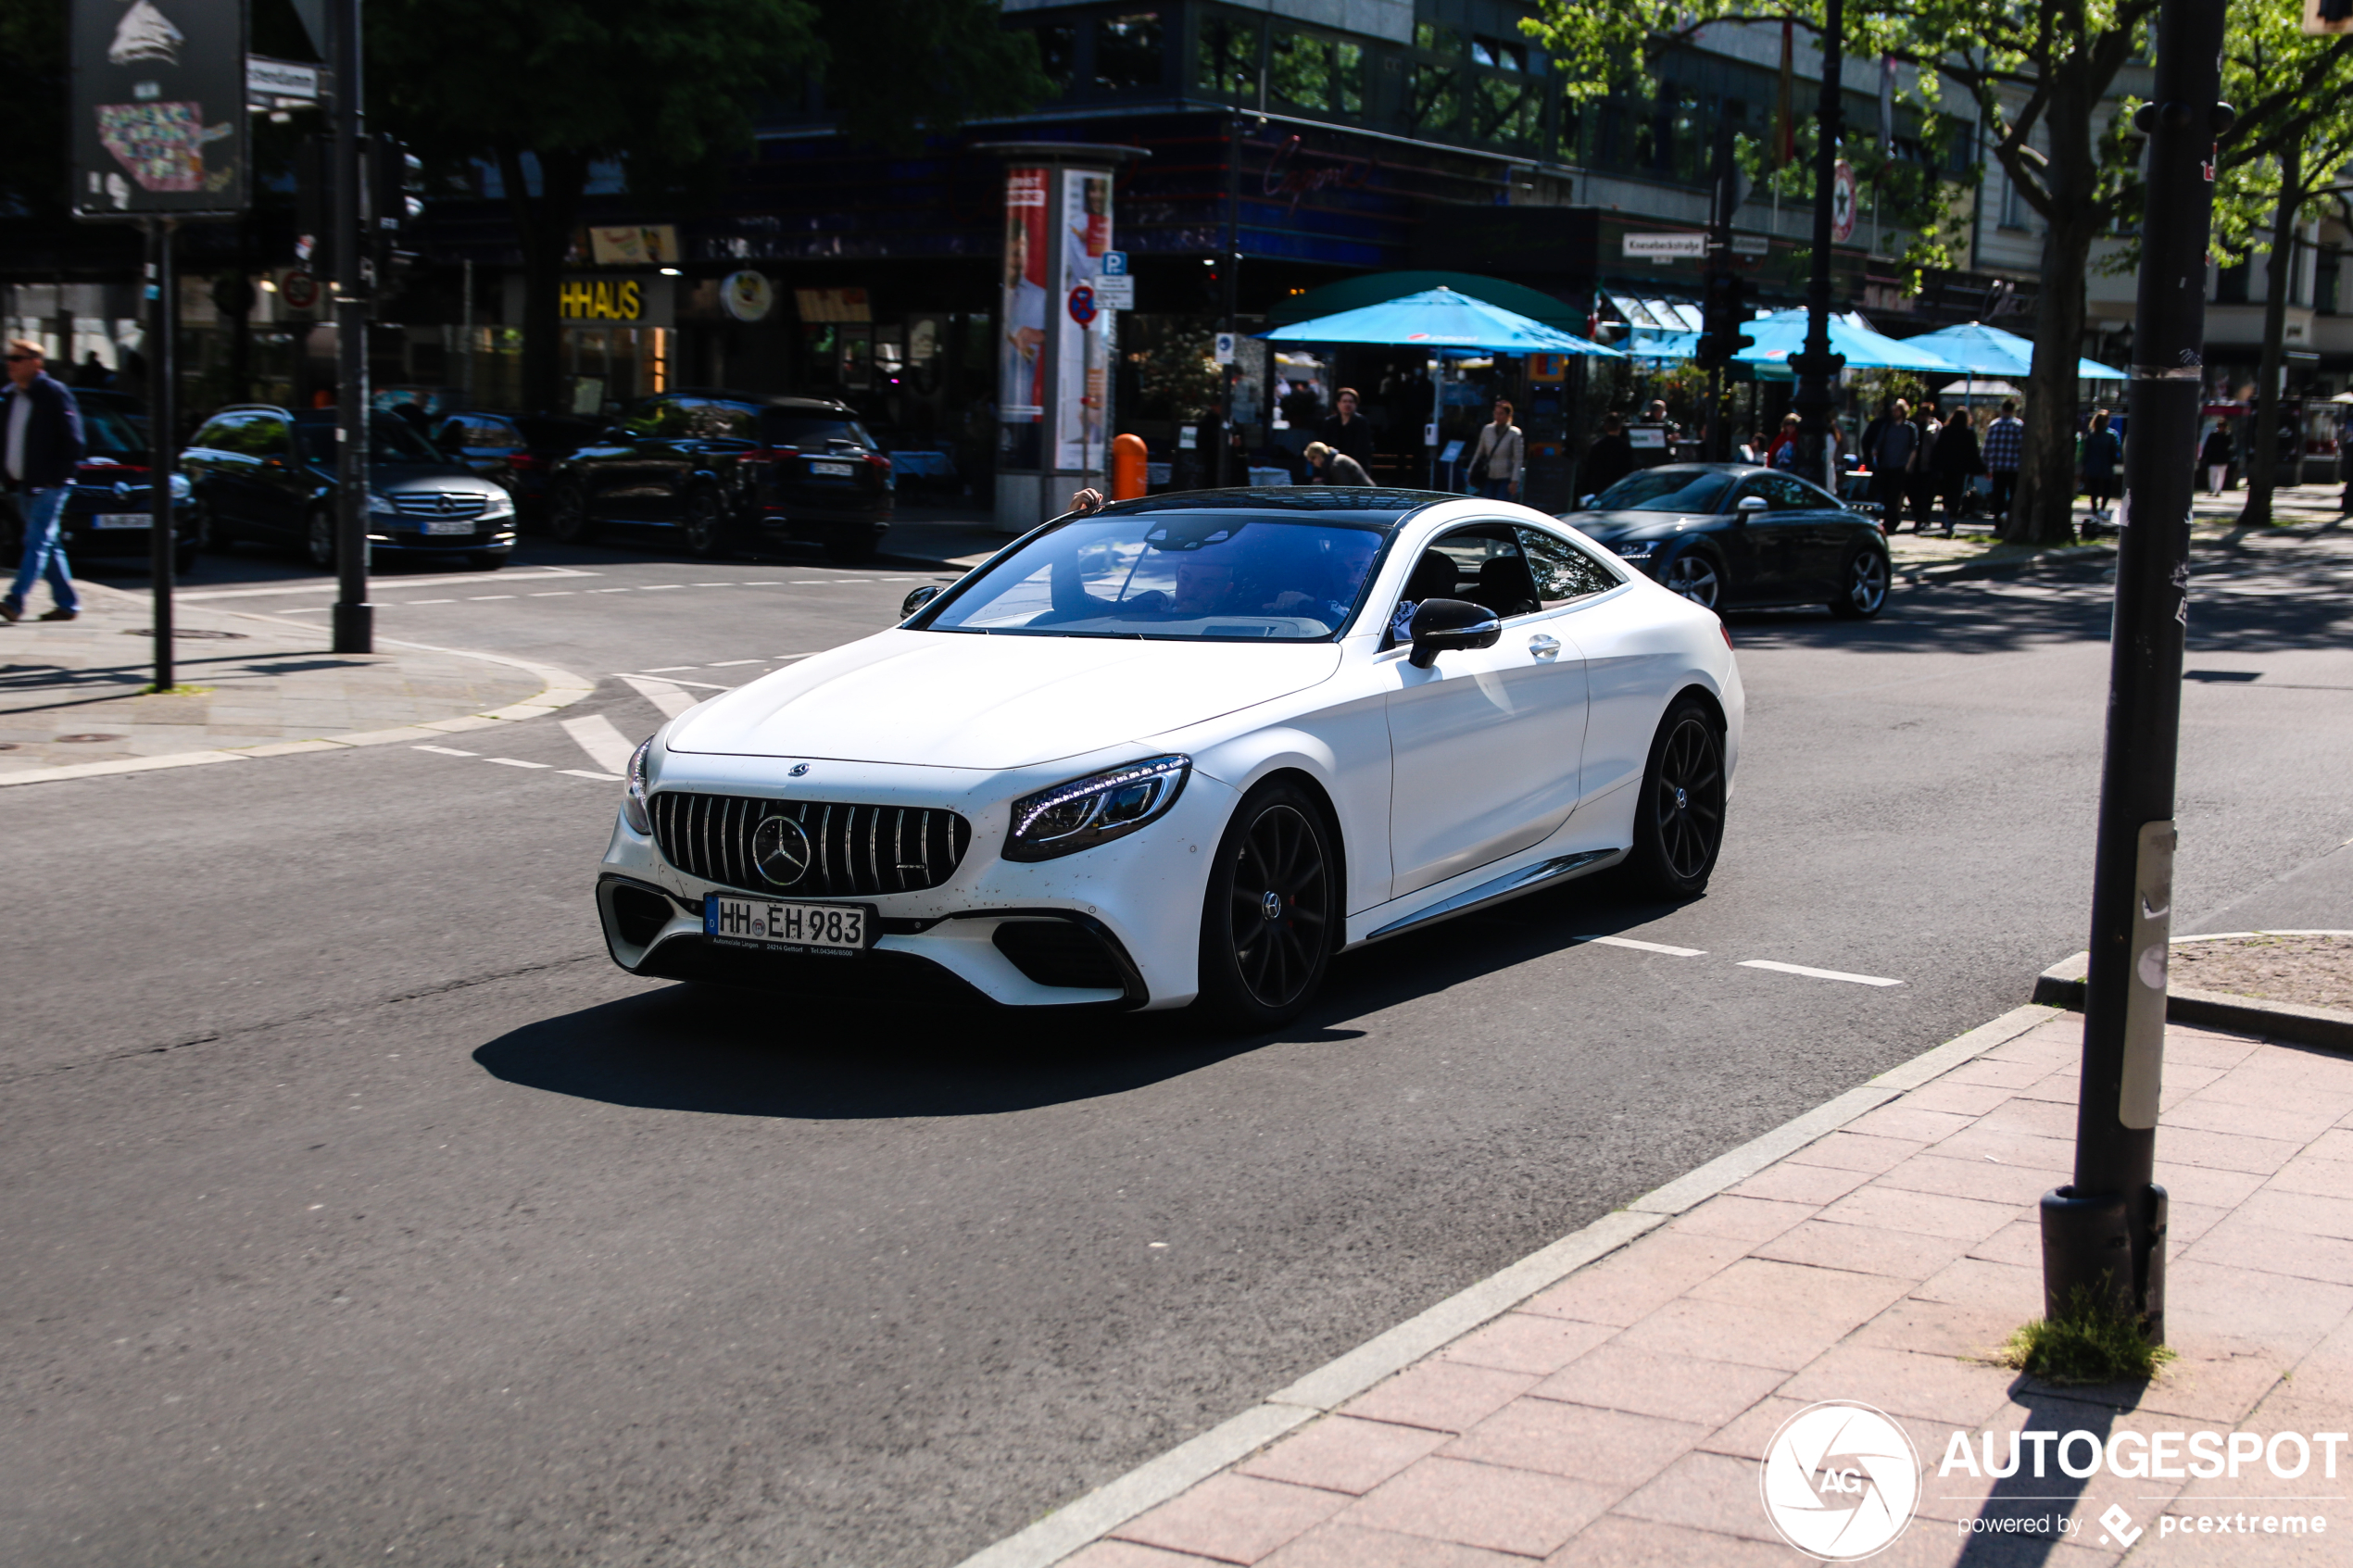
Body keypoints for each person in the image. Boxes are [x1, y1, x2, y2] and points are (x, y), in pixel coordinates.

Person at [2, 340, 86, 624]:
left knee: (35, 540)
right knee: (48, 544)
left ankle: (15, 600)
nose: (10, 363)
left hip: (50, 486)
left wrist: (56, 479)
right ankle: (68, 604)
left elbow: (74, 441)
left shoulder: (53, 394)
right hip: (23, 483)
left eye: (17, 358)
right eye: (9, 358)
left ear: (37, 363)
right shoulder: (10, 396)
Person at [1930, 406, 1982, 537]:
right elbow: (1973, 453)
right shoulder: (1968, 433)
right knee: (1957, 493)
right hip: (1961, 468)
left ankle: (1946, 515)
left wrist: (1936, 464)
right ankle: (1952, 519)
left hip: (1947, 467)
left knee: (1946, 492)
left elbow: (1938, 449)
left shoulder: (1946, 431)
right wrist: (1976, 468)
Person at [1869, 398, 1919, 534]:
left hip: (1900, 466)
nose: (1895, 413)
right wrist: (1875, 453)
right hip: (1886, 465)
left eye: (1897, 410)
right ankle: (1891, 520)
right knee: (1886, 495)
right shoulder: (1887, 427)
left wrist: (1908, 466)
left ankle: (1891, 522)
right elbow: (1878, 444)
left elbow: (1913, 448)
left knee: (1894, 496)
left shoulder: (1909, 428)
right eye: (1893, 411)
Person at [1466, 400, 1524, 501]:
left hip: (1505, 476)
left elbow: (1518, 459)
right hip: (1489, 474)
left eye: (1501, 414)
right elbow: (1479, 452)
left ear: (1508, 415)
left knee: (1501, 502)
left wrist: (1514, 481)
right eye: (1496, 413)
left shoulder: (1514, 434)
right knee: (1487, 503)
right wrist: (1471, 470)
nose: (1498, 416)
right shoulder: (1487, 430)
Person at [1982, 398, 2024, 526]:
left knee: (1998, 496)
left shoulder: (1994, 425)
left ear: (2002, 409)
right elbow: (2023, 447)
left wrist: (1986, 467)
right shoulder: (2019, 425)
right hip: (2014, 467)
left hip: (1997, 466)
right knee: (2014, 494)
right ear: (2014, 410)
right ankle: (2008, 513)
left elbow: (1987, 447)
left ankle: (1998, 524)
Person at [1904, 401, 1943, 535]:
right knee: (1913, 492)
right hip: (1915, 465)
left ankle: (1922, 518)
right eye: (1919, 414)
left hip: (1928, 466)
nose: (1920, 416)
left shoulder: (1935, 426)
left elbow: (1937, 443)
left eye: (1923, 414)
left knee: (1926, 494)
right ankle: (1919, 515)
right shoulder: (1914, 426)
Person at [1316, 386, 1376, 474]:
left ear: (1356, 404)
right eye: (1344, 401)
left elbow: (1362, 449)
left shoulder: (1361, 423)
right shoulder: (1330, 423)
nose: (1347, 405)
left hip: (1355, 469)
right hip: (1332, 468)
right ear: (1338, 403)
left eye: (1351, 402)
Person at [2079, 408, 2121, 527]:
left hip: (2092, 466)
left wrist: (2084, 465)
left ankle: (2094, 510)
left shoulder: (2091, 435)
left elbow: (2086, 452)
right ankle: (2103, 508)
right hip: (2106, 466)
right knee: (2106, 489)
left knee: (2094, 490)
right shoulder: (2112, 434)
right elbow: (2116, 450)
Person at [1579, 413, 1634, 500]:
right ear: (1620, 427)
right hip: (1618, 489)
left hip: (1599, 490)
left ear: (1605, 427)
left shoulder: (1597, 446)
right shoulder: (1625, 447)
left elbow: (1590, 469)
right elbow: (1628, 470)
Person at [1302, 440, 1371, 485]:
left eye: (1312, 461)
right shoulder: (1335, 461)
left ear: (1318, 455)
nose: (1313, 464)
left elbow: (1345, 489)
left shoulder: (1336, 464)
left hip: (1366, 497)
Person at [2198, 422, 2233, 495]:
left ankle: (2218, 489)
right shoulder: (2215, 436)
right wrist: (2204, 456)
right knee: (2213, 474)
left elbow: (2230, 448)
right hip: (2214, 459)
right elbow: (2207, 446)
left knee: (2220, 475)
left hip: (2221, 459)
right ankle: (2212, 488)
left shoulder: (2226, 436)